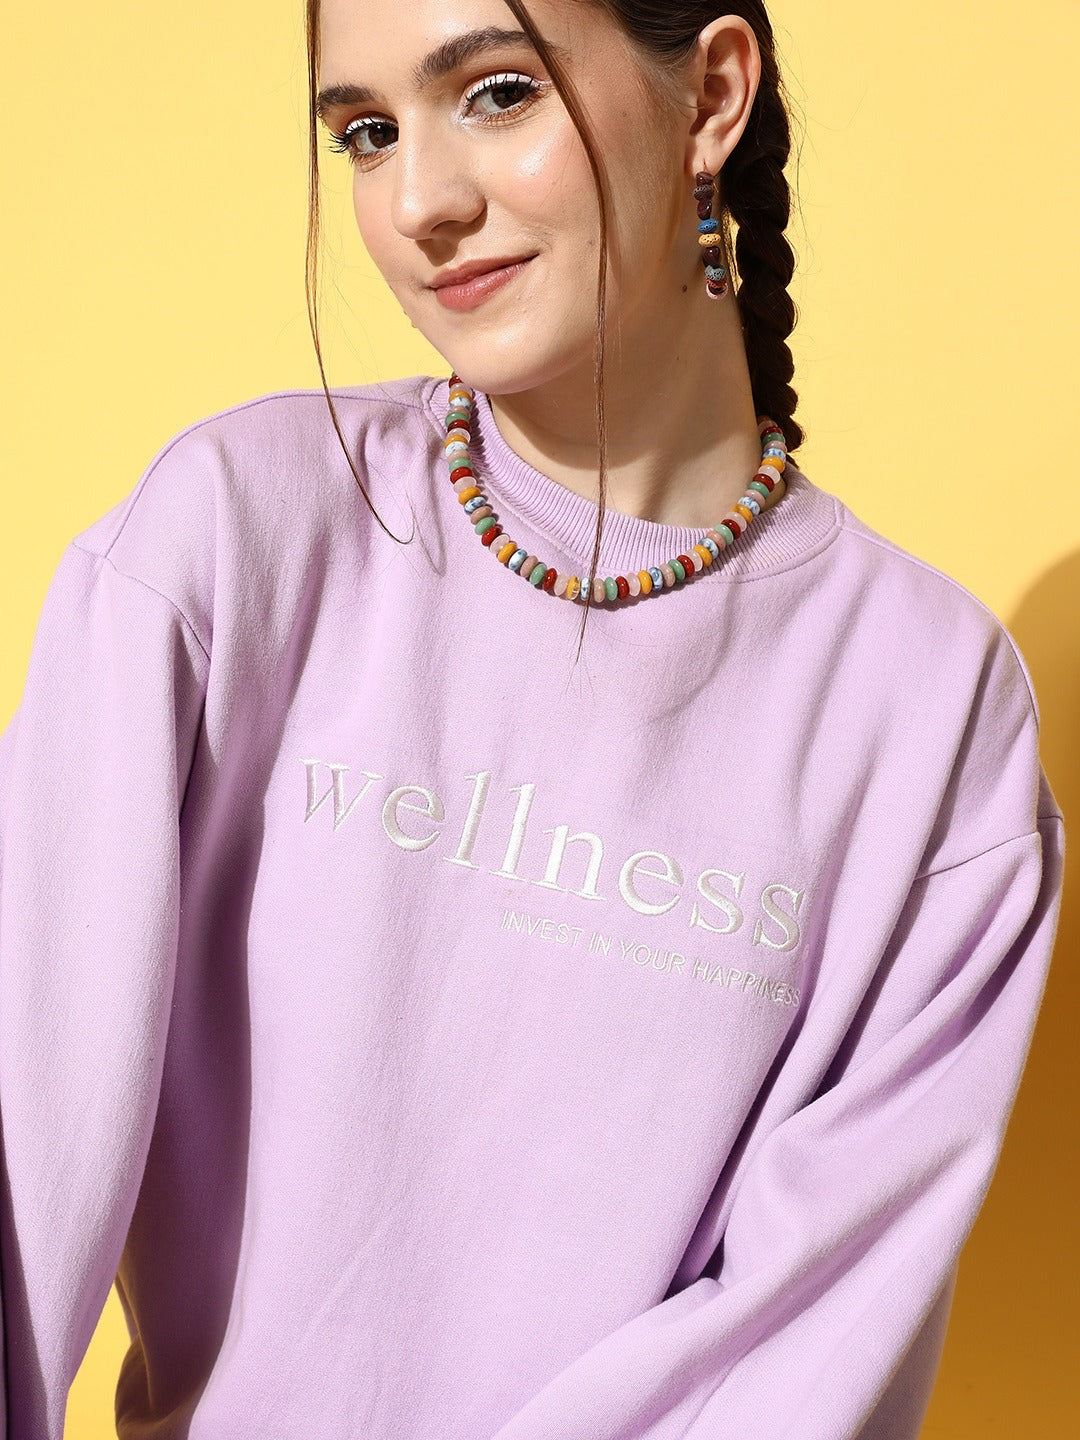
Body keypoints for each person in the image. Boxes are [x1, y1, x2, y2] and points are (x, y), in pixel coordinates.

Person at [0, 1, 1065, 1436]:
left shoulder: (930, 710)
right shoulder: (234, 543)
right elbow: (18, 1133)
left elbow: (806, 1354)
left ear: (713, 96)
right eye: (366, 133)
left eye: (497, 93)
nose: (417, 203)